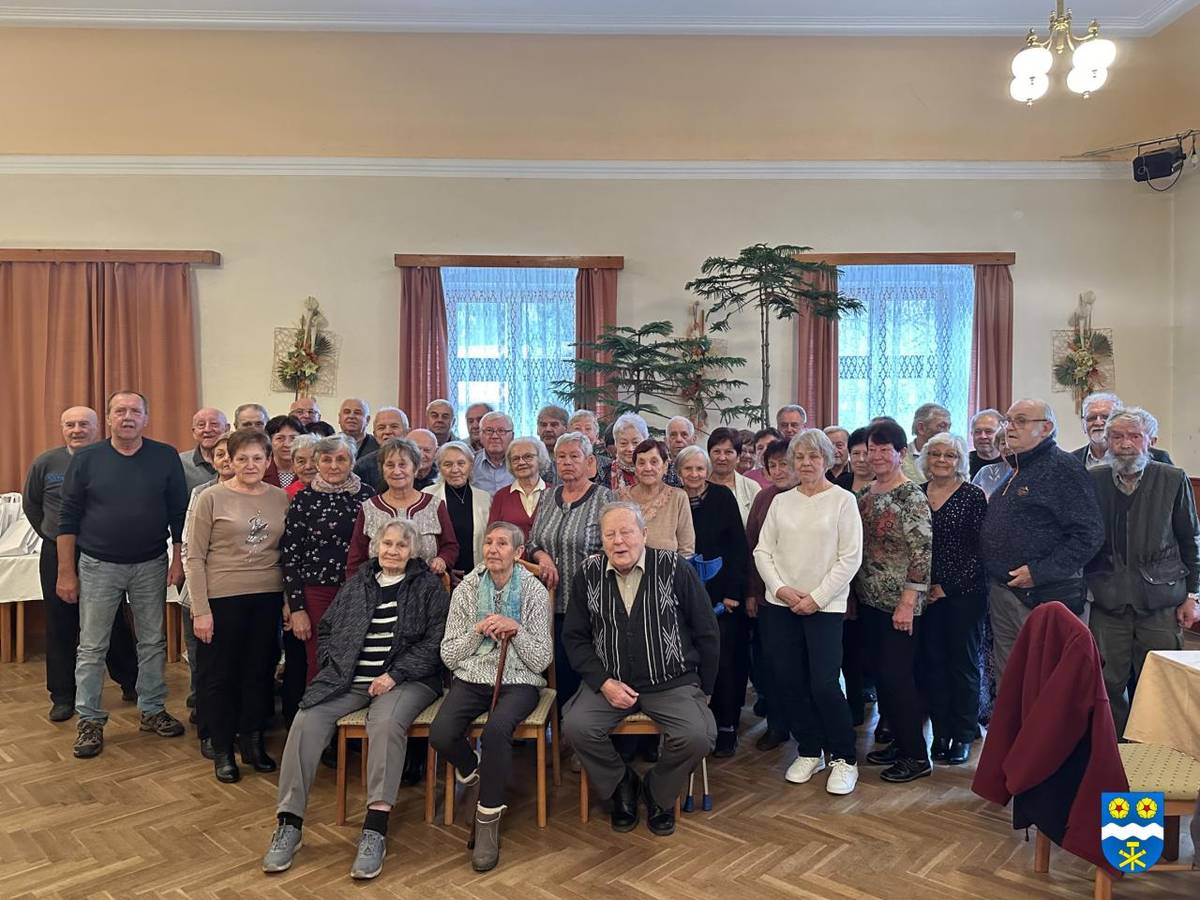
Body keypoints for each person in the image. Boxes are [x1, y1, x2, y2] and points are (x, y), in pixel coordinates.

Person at [262, 518, 449, 880]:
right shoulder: (358, 583)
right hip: (349, 679)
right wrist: (337, 662)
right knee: (306, 720)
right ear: (377, 547)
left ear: (413, 551)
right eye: (388, 544)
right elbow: (329, 627)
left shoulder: (427, 587)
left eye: (402, 545)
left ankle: (375, 829)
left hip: (405, 680)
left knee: (385, 723)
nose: (393, 550)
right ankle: (289, 823)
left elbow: (436, 642)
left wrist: (394, 674)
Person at [562, 502, 718, 837]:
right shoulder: (587, 574)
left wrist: (705, 689)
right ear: (601, 540)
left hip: (670, 681)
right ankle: (622, 785)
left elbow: (706, 631)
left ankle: (658, 792)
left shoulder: (675, 567)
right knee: (576, 727)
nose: (619, 541)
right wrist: (603, 682)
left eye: (626, 532)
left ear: (644, 534)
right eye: (610, 534)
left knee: (697, 736)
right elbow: (574, 638)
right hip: (610, 681)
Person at [57, 390, 188, 758]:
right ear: (109, 418)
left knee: (152, 642)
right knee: (92, 646)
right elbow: (67, 518)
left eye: (135, 411)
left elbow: (179, 513)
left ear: (146, 418)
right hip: (97, 565)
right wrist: (66, 572)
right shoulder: (86, 459)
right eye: (120, 411)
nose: (127, 417)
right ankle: (90, 719)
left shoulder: (164, 457)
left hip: (151, 563)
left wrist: (177, 560)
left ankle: (152, 709)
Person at [429, 521, 553, 872]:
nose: (493, 549)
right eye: (489, 542)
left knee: (498, 729)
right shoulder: (467, 589)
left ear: (517, 553)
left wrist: (517, 631)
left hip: (519, 679)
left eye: (502, 544)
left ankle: (487, 821)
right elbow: (449, 654)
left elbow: (542, 659)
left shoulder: (534, 591)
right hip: (471, 677)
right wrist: (476, 631)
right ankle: (479, 774)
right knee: (441, 733)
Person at [754, 429, 862, 794]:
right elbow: (762, 552)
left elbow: (850, 558)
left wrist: (815, 598)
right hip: (781, 605)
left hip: (825, 607)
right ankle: (809, 749)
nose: (805, 463)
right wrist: (782, 590)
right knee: (789, 680)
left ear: (827, 459)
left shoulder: (843, 501)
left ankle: (844, 757)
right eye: (799, 457)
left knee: (824, 684)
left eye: (813, 456)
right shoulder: (782, 502)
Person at [1084, 407, 1200, 734]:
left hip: (1162, 602)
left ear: (1150, 441)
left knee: (1160, 684)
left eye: (1134, 436)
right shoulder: (1094, 480)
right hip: (1108, 602)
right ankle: (1114, 758)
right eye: (1117, 436)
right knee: (1107, 685)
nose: (1125, 444)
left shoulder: (1172, 478)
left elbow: (1191, 540)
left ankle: (1154, 757)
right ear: (1106, 442)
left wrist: (1193, 596)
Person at [186, 429, 290, 783]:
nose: (250, 465)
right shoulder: (210, 498)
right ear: (229, 460)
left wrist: (289, 603)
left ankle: (253, 742)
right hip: (221, 598)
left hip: (267, 597)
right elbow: (195, 557)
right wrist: (200, 610)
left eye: (258, 458)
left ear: (268, 460)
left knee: (259, 673)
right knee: (220, 676)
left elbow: (288, 556)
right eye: (242, 458)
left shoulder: (280, 499)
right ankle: (222, 749)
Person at [23, 406, 138, 722]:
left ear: (98, 426)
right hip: (57, 553)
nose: (77, 429)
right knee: (60, 623)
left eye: (84, 424)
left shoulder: (112, 459)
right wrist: (52, 536)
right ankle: (62, 695)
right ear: (62, 428)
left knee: (113, 620)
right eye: (70, 424)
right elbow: (32, 505)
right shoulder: (46, 463)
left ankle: (131, 681)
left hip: (102, 551)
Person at [979, 399, 1103, 678]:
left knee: (1044, 680)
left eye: (1020, 421)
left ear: (1045, 428)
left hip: (1043, 595)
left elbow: (1089, 534)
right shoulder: (1019, 467)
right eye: (1008, 420)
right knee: (1011, 679)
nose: (1010, 427)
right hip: (1005, 593)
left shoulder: (1062, 468)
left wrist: (1038, 572)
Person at [854, 419, 933, 784]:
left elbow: (922, 553)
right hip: (870, 601)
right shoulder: (867, 494)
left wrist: (906, 603)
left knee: (899, 679)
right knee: (884, 679)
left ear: (901, 453)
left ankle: (917, 756)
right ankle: (899, 744)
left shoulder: (911, 495)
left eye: (886, 449)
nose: (878, 456)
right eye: (873, 449)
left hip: (899, 606)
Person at [280, 435, 376, 720]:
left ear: (353, 461)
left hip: (359, 592)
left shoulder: (367, 496)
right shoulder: (303, 498)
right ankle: (319, 731)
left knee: (358, 659)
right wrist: (296, 608)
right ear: (317, 463)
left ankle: (350, 730)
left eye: (341, 459)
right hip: (315, 592)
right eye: (327, 459)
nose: (334, 466)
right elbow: (290, 555)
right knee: (318, 662)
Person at [525, 433, 614, 711]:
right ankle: (560, 730)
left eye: (574, 456)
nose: (567, 462)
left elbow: (613, 546)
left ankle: (586, 729)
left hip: (590, 603)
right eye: (561, 457)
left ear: (589, 462)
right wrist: (543, 558)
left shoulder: (604, 497)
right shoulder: (549, 496)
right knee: (556, 668)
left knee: (584, 666)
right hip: (550, 603)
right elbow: (532, 541)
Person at [916, 433, 988, 766]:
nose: (942, 460)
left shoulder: (973, 496)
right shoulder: (916, 495)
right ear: (926, 459)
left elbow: (980, 552)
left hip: (964, 596)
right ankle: (940, 733)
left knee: (963, 665)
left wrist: (947, 587)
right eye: (936, 454)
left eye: (950, 455)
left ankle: (962, 734)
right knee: (932, 665)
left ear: (960, 460)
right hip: (923, 597)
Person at [678, 445, 748, 757]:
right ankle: (694, 726)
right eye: (688, 469)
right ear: (679, 472)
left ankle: (727, 726)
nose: (694, 475)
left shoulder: (722, 497)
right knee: (693, 662)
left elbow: (738, 547)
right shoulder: (675, 498)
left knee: (726, 660)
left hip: (722, 595)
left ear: (707, 471)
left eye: (699, 468)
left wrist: (733, 593)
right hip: (683, 595)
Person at [179, 433, 234, 754]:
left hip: (237, 590)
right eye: (221, 455)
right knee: (204, 659)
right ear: (212, 460)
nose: (226, 460)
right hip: (203, 587)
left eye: (232, 454)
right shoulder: (201, 492)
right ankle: (207, 718)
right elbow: (190, 546)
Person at [741, 438, 797, 748]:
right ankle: (777, 725)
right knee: (771, 665)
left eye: (783, 464)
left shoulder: (814, 498)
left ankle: (808, 728)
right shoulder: (764, 499)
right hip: (768, 597)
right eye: (771, 465)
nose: (777, 470)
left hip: (808, 596)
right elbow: (751, 549)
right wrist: (751, 592)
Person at [346, 437, 458, 580]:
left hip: (427, 590)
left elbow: (451, 546)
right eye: (390, 465)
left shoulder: (435, 505)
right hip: (377, 593)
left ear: (415, 469)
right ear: (382, 470)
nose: (396, 471)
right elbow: (355, 560)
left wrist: (443, 559)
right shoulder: (369, 508)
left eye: (403, 464)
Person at [423, 440, 491, 576]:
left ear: (471, 466)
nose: (455, 470)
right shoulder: (427, 495)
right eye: (447, 464)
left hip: (479, 574)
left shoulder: (485, 498)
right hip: (440, 575)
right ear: (440, 467)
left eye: (461, 463)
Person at [618, 439, 694, 556]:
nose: (648, 468)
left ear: (665, 467)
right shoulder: (618, 497)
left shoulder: (678, 498)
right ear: (636, 469)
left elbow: (687, 549)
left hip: (667, 571)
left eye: (654, 462)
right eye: (641, 463)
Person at [1073, 391, 1173, 468]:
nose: (1098, 422)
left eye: (1105, 417)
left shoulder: (1158, 458)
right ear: (1083, 425)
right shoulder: (1072, 460)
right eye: (1091, 418)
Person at [487, 436, 549, 538]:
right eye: (515, 459)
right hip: (512, 554)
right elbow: (492, 534)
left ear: (540, 458)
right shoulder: (501, 496)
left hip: (547, 554)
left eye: (528, 457)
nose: (521, 462)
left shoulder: (555, 493)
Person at [706, 426, 761, 524]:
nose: (722, 457)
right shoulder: (699, 484)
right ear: (709, 454)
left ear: (738, 456)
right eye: (717, 451)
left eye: (728, 452)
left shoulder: (752, 488)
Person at [352, 406, 410, 491]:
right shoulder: (363, 466)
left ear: (407, 432)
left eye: (394, 426)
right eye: (381, 428)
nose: (387, 432)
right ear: (375, 434)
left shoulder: (416, 460)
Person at [180, 407, 229, 490]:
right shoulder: (180, 462)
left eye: (214, 424)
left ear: (227, 428)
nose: (207, 429)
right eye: (201, 425)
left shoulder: (238, 460)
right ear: (194, 432)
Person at [900, 403, 950, 484]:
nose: (947, 433)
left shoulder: (952, 458)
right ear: (921, 428)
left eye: (948, 427)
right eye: (941, 426)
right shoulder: (901, 457)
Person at [472, 411, 516, 494]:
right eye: (489, 430)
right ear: (480, 436)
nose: (495, 436)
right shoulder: (470, 463)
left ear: (512, 436)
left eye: (501, 431)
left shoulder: (521, 462)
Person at [263, 415, 304, 490]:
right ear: (269, 441)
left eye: (293, 438)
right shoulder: (261, 470)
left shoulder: (309, 470)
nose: (287, 444)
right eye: (280, 438)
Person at [836, 427, 873, 494]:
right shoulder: (838, 485)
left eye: (866, 454)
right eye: (856, 453)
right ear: (849, 454)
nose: (861, 459)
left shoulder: (885, 486)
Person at [968, 409, 1003, 478]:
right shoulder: (963, 462)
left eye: (988, 431)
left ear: (1000, 434)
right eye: (977, 432)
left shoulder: (1010, 463)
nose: (983, 436)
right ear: (972, 434)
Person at [286, 433, 320, 498]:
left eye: (314, 460)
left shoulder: (335, 492)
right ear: (293, 465)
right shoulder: (285, 495)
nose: (308, 466)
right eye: (301, 461)